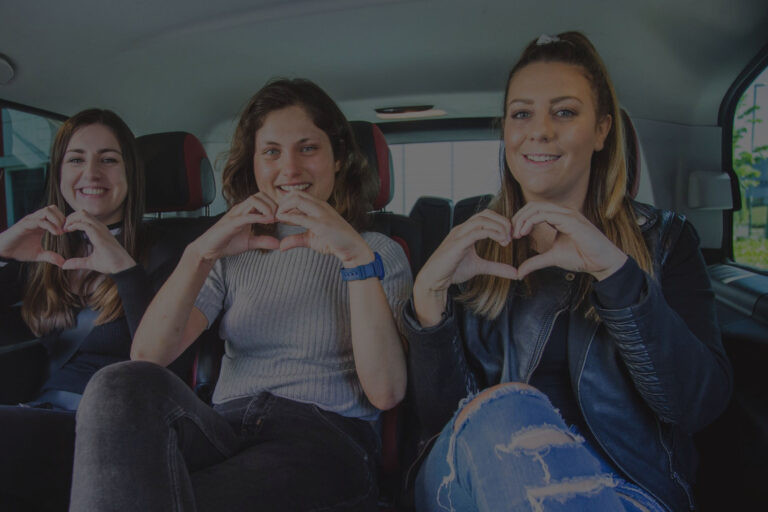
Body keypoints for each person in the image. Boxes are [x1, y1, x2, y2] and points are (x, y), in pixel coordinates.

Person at [403, 32, 732, 512]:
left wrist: (616, 274)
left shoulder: (664, 241)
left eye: (564, 111)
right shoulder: (468, 245)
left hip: (626, 489)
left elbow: (696, 407)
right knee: (507, 408)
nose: (539, 130)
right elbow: (443, 420)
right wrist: (429, 301)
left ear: (601, 131)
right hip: (475, 479)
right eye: (521, 113)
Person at [68, 78, 412, 511]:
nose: (289, 169)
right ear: (254, 164)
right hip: (223, 427)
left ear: (338, 158)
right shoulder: (233, 249)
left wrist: (354, 258)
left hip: (324, 439)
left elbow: (386, 393)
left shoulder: (378, 251)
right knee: (119, 383)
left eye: (308, 148)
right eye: (271, 151)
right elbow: (149, 354)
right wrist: (202, 251)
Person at [0, 109, 182, 511]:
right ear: (59, 172)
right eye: (76, 159)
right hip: (39, 412)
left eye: (109, 159)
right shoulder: (46, 247)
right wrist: (3, 250)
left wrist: (125, 270)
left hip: (107, 430)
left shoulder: (170, 251)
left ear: (130, 172)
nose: (91, 172)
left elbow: (159, 358)